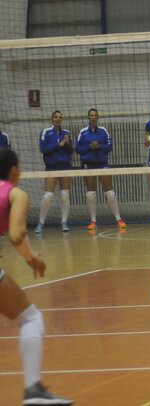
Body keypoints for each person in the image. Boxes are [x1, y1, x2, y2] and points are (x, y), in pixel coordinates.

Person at [0, 149, 74, 405]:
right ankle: (33, 390)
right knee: (31, 318)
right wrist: (32, 260)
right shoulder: (16, 193)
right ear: (14, 171)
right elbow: (16, 235)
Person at [76, 108, 126, 231]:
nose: (93, 117)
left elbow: (110, 147)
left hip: (102, 163)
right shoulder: (83, 132)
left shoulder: (103, 131)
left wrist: (99, 146)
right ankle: (93, 221)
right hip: (88, 164)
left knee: (110, 193)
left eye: (95, 115)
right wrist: (89, 146)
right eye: (91, 115)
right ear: (88, 117)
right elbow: (77, 149)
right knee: (91, 194)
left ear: (97, 117)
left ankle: (119, 219)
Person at [36, 111, 73, 234]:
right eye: (56, 117)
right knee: (48, 196)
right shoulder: (46, 132)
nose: (58, 119)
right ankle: (41, 223)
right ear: (52, 119)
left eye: (60, 117)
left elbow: (71, 151)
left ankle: (64, 222)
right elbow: (43, 149)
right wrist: (59, 144)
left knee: (65, 195)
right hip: (51, 167)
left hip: (65, 167)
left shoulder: (66, 133)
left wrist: (67, 143)